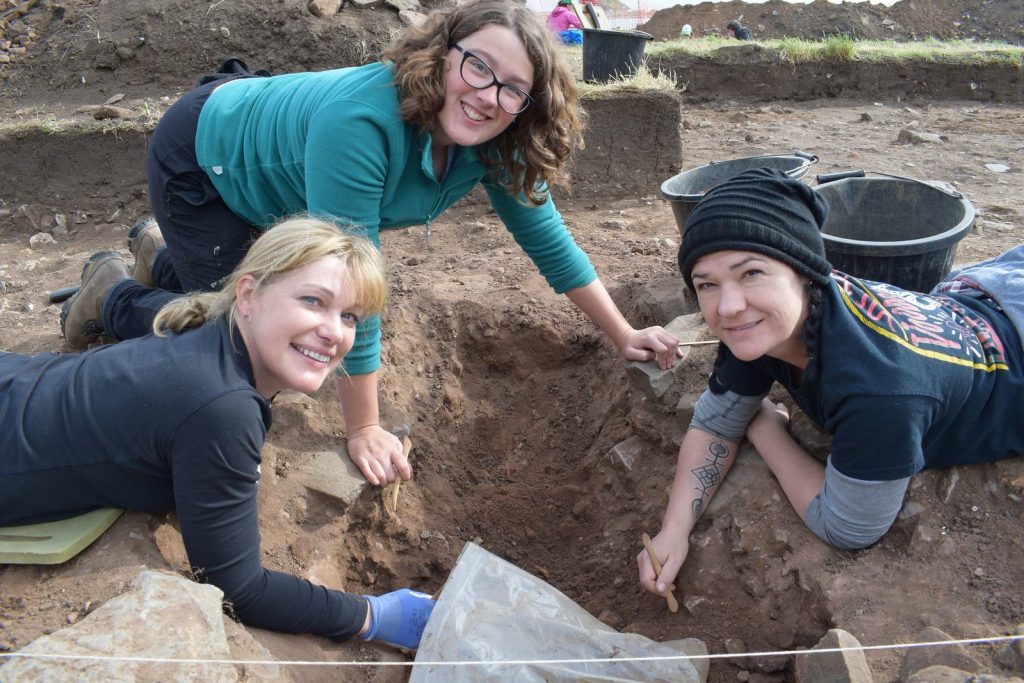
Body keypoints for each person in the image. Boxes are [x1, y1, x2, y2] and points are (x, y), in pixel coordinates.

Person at [59, 0, 680, 489]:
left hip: (284, 176)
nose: (489, 95)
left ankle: (164, 259)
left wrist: (623, 333)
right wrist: (365, 427)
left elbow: (550, 242)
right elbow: (348, 280)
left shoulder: (498, 137)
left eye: (512, 88)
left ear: (528, 102)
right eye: (478, 67)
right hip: (207, 159)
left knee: (256, 294)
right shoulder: (361, 124)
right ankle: (110, 296)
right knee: (231, 336)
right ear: (443, 55)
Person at [3, 217, 435, 649]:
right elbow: (238, 589)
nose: (333, 332)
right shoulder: (221, 407)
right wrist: (372, 615)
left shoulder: (210, 331)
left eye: (349, 316)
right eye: (312, 301)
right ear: (248, 294)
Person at [638, 168, 1024, 601]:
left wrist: (764, 428)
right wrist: (674, 530)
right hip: (985, 297)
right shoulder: (772, 323)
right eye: (706, 283)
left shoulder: (880, 392)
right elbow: (715, 424)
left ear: (804, 272)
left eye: (751, 274)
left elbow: (850, 527)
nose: (728, 306)